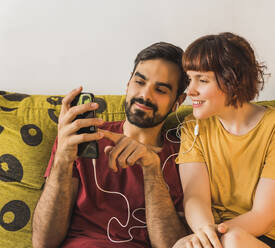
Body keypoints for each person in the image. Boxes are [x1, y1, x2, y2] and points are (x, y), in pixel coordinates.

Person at [32, 42, 189, 248]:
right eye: (139, 82)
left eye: (160, 89)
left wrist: (152, 170)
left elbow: (171, 245)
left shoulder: (186, 155)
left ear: (178, 101)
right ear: (127, 84)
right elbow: (43, 242)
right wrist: (62, 160)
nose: (144, 95)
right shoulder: (79, 136)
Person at [173, 32, 275, 248]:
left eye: (202, 80)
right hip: (215, 235)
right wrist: (204, 234)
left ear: (233, 81)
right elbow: (195, 197)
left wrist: (212, 238)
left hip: (266, 238)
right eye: (190, 79)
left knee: (234, 241)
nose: (190, 90)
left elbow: (264, 216)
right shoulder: (192, 126)